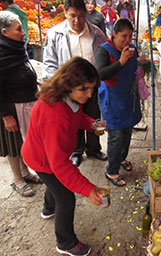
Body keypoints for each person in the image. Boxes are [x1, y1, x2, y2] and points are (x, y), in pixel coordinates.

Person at [21, 57, 105, 256]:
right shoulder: (54, 115)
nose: (90, 94)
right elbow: (58, 165)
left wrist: (91, 124)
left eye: (92, 88)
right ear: (69, 84)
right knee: (66, 197)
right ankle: (65, 242)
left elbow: (76, 116)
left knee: (55, 187)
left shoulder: (67, 98)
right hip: (42, 160)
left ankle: (48, 209)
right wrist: (89, 189)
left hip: (43, 155)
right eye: (84, 88)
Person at [43, 0, 108, 167]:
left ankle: (93, 149)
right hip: (68, 89)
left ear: (85, 14)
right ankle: (76, 151)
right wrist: (59, 85)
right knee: (73, 119)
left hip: (92, 87)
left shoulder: (97, 33)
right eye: (73, 16)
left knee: (93, 116)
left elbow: (105, 56)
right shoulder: (55, 34)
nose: (77, 20)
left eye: (81, 16)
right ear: (65, 13)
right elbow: (50, 63)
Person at [95, 19, 142, 187]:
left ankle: (122, 158)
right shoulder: (104, 50)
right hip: (112, 101)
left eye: (130, 36)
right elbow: (101, 74)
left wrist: (140, 71)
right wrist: (121, 62)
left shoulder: (132, 50)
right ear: (113, 34)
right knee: (115, 137)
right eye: (124, 36)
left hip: (128, 99)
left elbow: (135, 68)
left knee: (127, 132)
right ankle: (111, 170)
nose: (128, 40)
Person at [0, 11, 41, 197]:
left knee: (23, 141)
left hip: (24, 102)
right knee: (13, 144)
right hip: (9, 107)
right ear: (4, 32)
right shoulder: (2, 54)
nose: (23, 32)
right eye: (18, 29)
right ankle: (17, 179)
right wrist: (5, 115)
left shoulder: (16, 47)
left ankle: (25, 173)